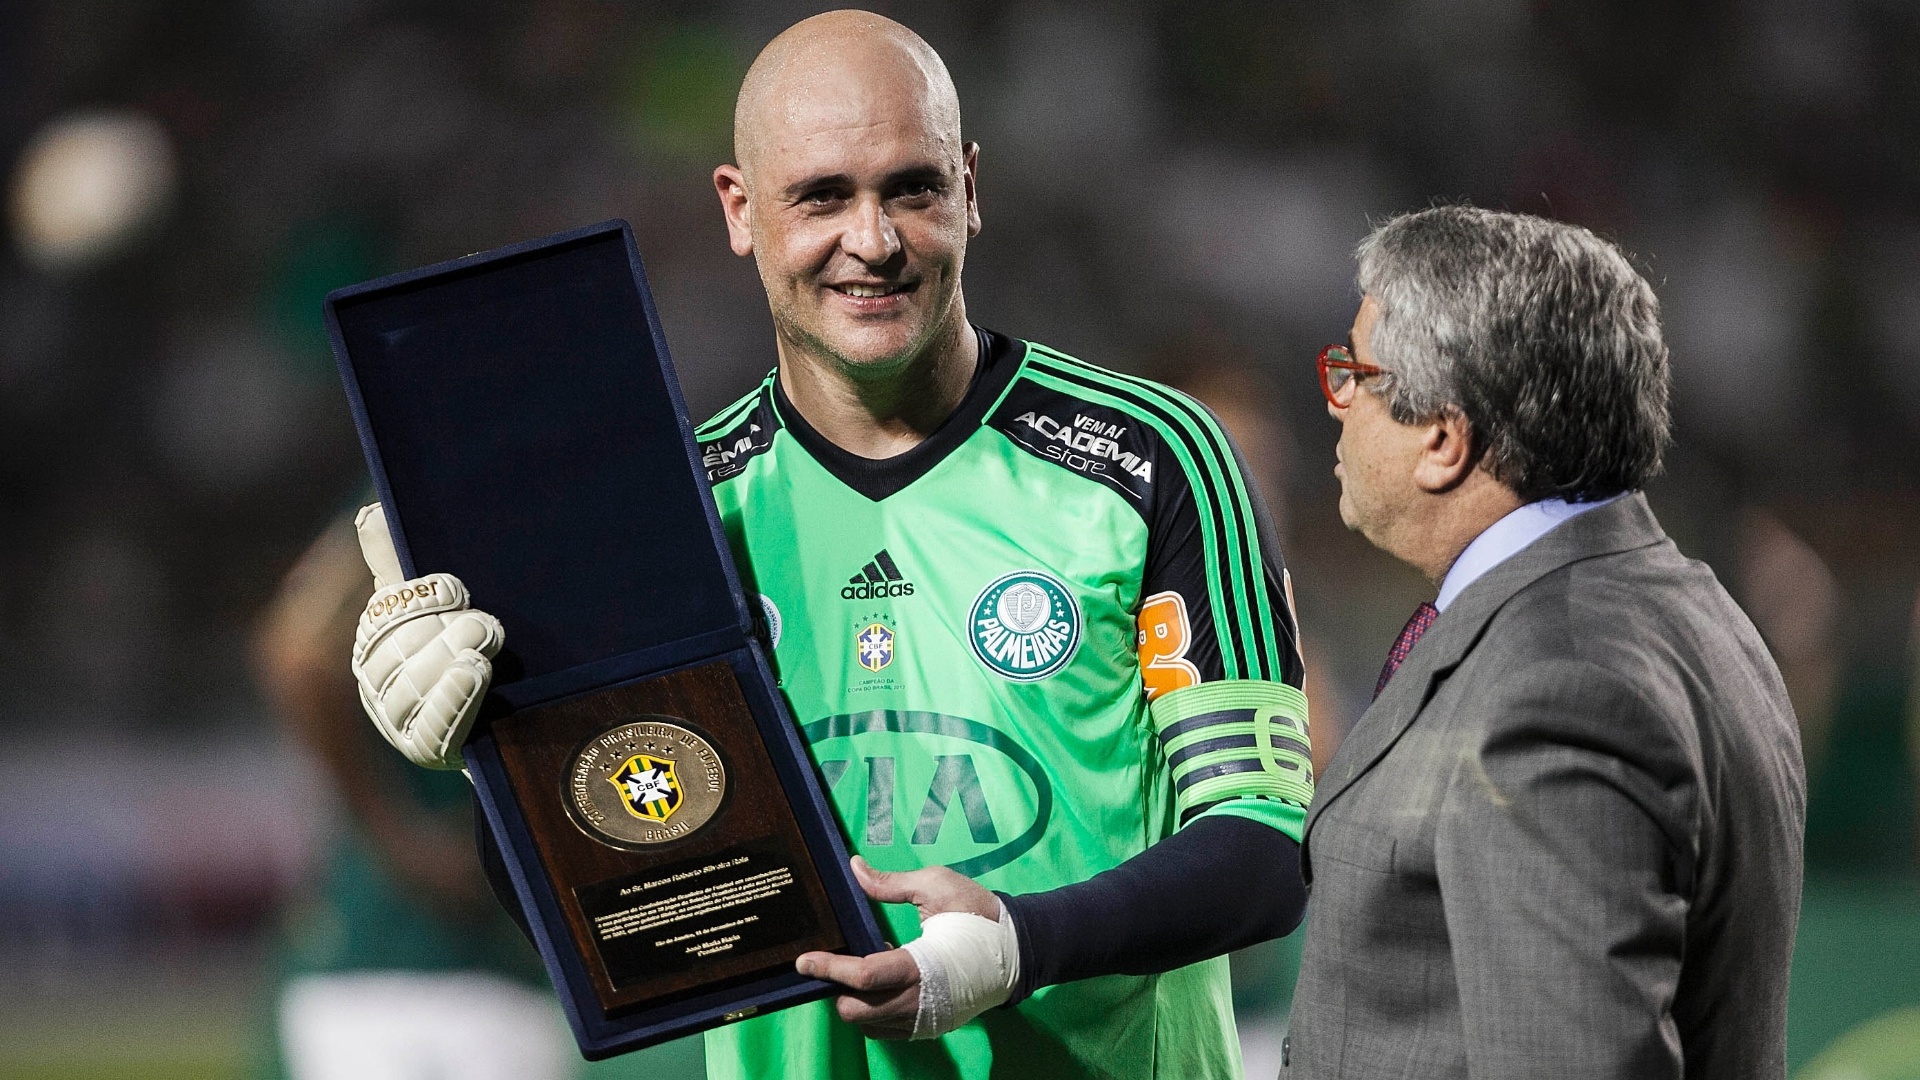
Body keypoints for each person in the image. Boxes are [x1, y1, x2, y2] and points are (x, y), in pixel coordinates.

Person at [348, 10, 1312, 1080]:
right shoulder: (675, 515)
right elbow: (603, 915)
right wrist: (494, 755)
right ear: (740, 208)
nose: (875, 239)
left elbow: (1265, 852)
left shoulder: (1152, 458)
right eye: (822, 196)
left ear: (971, 188)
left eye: (913, 187)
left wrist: (1020, 944)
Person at [1285, 205, 1806, 1078]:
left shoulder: (1552, 690)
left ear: (1444, 440)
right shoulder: (1692, 611)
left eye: (1353, 372)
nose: (1335, 403)